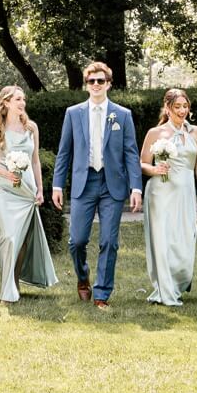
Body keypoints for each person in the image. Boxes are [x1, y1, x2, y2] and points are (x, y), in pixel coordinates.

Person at [51, 62, 141, 310]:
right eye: (92, 81)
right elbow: (64, 153)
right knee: (77, 241)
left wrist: (136, 187)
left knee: (109, 242)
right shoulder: (74, 113)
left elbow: (131, 153)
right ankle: (83, 278)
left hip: (112, 185)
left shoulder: (122, 115)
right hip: (84, 183)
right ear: (86, 85)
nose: (96, 85)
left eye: (101, 81)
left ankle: (102, 293)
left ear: (109, 84)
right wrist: (57, 185)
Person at [0, 85, 57, 304]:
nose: (22, 103)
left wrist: (40, 189)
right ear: (5, 102)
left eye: (23, 99)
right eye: (17, 99)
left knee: (22, 239)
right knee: (9, 236)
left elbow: (35, 160)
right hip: (3, 189)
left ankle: (13, 283)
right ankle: (7, 287)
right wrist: (8, 174)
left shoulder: (31, 127)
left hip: (27, 191)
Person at [140, 89, 197, 306]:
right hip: (160, 194)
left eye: (185, 106)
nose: (182, 111)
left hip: (185, 193)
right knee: (163, 241)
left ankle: (178, 283)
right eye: (177, 107)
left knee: (186, 240)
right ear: (168, 108)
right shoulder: (155, 133)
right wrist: (154, 170)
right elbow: (141, 163)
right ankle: (165, 290)